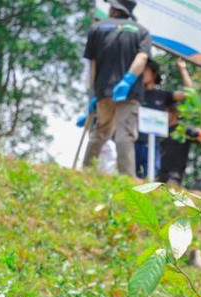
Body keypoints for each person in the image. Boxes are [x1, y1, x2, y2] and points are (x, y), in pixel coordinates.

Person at [81, 0, 151, 176]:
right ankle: (126, 178)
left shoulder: (97, 29)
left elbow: (92, 65)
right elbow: (142, 58)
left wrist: (93, 94)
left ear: (113, 10)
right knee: (124, 135)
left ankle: (86, 173)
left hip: (103, 92)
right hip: (129, 92)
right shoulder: (141, 31)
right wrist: (128, 80)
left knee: (100, 132)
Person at [134, 57, 192, 179]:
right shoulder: (134, 94)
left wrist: (182, 69)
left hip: (152, 144)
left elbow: (189, 93)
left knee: (150, 178)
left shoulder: (162, 95)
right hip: (134, 142)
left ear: (153, 73)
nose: (142, 72)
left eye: (145, 70)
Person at [159, 109, 201, 185]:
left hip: (173, 175)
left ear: (175, 113)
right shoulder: (160, 130)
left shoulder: (184, 130)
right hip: (156, 173)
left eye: (167, 111)